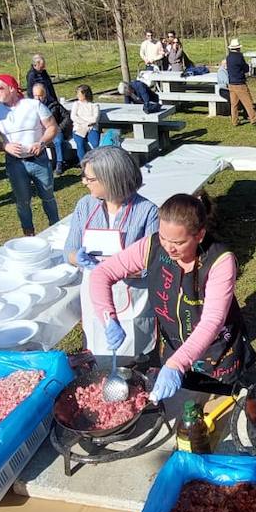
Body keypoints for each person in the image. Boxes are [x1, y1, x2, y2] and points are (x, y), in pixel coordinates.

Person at [91, 193, 255, 401]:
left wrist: (177, 364)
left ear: (199, 235)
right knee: (183, 405)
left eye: (178, 242)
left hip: (216, 355)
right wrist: (108, 318)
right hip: (172, 347)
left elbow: (212, 321)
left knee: (218, 407)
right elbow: (102, 274)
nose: (168, 247)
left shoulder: (220, 260)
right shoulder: (151, 246)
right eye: (163, 237)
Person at [65, 147, 161, 358]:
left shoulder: (147, 211)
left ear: (110, 179)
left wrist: (113, 271)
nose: (84, 182)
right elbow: (69, 251)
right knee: (98, 347)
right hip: (95, 295)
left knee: (134, 353)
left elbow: (153, 265)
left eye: (90, 179)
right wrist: (78, 259)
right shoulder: (85, 206)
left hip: (131, 295)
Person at [0, 74, 60, 237]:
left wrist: (41, 143)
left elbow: (53, 128)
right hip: (15, 163)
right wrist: (5, 146)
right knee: (22, 201)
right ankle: (29, 235)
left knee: (48, 197)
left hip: (39, 160)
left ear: (12, 88)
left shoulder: (34, 105)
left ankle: (56, 228)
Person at [30, 82, 73, 174]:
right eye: (35, 96)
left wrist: (59, 128)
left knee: (57, 141)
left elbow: (67, 116)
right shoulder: (31, 106)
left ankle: (59, 163)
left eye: (40, 95)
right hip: (39, 131)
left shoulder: (54, 104)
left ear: (44, 95)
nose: (38, 98)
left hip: (54, 130)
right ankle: (43, 163)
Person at [224, 39, 256, 125]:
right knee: (247, 101)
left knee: (234, 104)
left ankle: (234, 121)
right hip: (239, 83)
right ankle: (254, 118)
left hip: (231, 83)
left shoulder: (228, 57)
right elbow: (246, 68)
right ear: (238, 48)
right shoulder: (239, 57)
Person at [70, 84, 102, 164]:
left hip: (91, 128)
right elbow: (73, 117)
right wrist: (85, 122)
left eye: (79, 93)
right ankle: (83, 163)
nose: (77, 95)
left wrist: (83, 120)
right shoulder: (76, 104)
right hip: (79, 128)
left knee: (95, 143)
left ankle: (96, 162)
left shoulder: (94, 106)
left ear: (85, 94)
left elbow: (95, 119)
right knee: (80, 144)